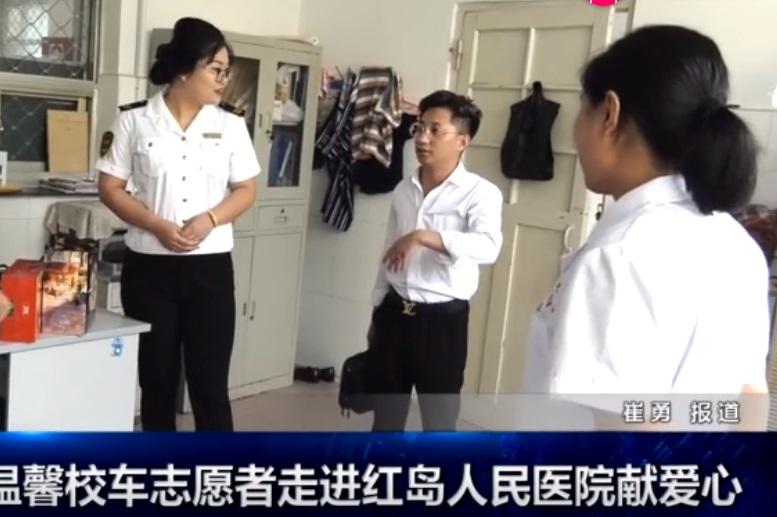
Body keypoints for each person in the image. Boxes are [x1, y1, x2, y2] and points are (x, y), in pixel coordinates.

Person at [522, 25, 770, 429]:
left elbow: (626, 440)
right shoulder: (735, 243)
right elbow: (750, 398)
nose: (576, 134)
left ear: (609, 113)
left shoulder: (619, 256)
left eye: (583, 108)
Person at [97, 18, 260, 431]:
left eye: (227, 71)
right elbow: (110, 187)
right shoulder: (134, 120)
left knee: (210, 385)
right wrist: (156, 225)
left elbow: (246, 190)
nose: (224, 80)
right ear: (186, 69)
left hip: (210, 270)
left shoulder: (230, 125)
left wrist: (210, 219)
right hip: (150, 269)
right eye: (216, 69)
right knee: (156, 383)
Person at [368, 90, 503, 431]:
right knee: (386, 419)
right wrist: (378, 307)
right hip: (393, 315)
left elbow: (488, 247)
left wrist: (426, 236)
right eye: (419, 128)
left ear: (462, 141)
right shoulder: (404, 189)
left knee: (439, 422)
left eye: (435, 130)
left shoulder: (480, 193)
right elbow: (389, 248)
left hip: (442, 322)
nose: (422, 138)